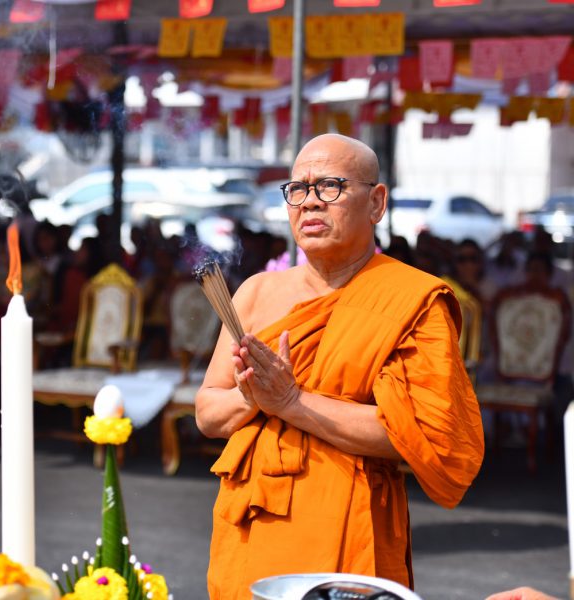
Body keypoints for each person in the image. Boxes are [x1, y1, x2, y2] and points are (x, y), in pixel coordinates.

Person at [195, 134, 485, 598]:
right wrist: (251, 396)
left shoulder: (412, 300)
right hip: (251, 521)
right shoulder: (254, 294)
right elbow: (208, 413)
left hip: (348, 523)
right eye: (298, 190)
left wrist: (292, 402)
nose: (310, 203)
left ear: (376, 203)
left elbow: (424, 435)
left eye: (330, 186)